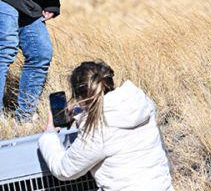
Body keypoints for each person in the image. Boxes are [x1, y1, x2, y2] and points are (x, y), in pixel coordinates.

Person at [38, 61, 174, 190]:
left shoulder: (97, 129)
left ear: (80, 98)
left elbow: (64, 170)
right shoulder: (140, 102)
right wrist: (82, 114)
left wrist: (49, 136)